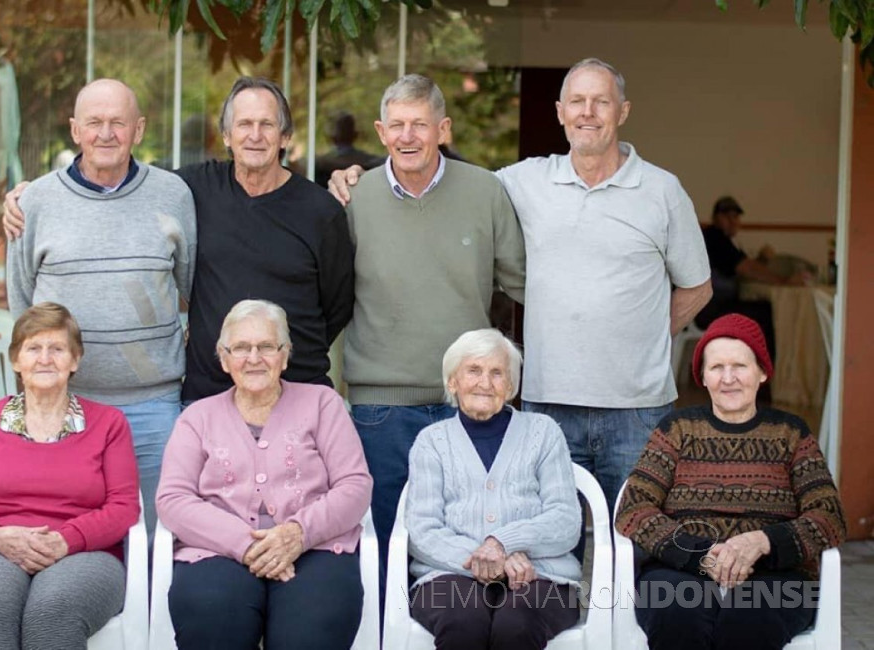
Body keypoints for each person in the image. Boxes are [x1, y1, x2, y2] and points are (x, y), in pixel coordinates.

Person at [330, 59, 710, 513]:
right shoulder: (519, 181)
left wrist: (641, 337)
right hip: (535, 402)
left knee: (635, 539)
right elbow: (338, 286)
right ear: (559, 112)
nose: (588, 112)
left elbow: (696, 288)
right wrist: (349, 176)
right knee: (544, 546)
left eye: (600, 101)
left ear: (622, 111)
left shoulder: (660, 191)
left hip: (631, 406)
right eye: (577, 102)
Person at [3, 77, 354, 406]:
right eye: (244, 125)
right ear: (227, 136)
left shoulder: (320, 210)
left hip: (297, 392)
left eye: (267, 125)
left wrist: (352, 175)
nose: (255, 136)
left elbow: (337, 304)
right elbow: (118, 179)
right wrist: (26, 196)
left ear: (285, 136)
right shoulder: (187, 189)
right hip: (211, 396)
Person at [341, 74, 526, 579]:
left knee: (464, 546)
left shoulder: (486, 191)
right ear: (380, 132)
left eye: (419, 124)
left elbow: (524, 285)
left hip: (466, 402)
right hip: (380, 406)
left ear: (442, 128)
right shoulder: (355, 198)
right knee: (382, 546)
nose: (407, 136)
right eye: (396, 125)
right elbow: (331, 295)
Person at [6, 78, 196, 533]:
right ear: (75, 129)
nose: (106, 134)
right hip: (64, 404)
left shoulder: (173, 195)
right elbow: (22, 308)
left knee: (158, 536)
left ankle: (150, 610)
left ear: (139, 129)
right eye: (94, 122)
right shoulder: (35, 202)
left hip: (154, 406)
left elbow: (191, 286)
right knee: (70, 534)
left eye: (118, 122)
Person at [615, 313, 846, 650]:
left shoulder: (791, 433)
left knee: (748, 621)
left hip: (776, 574)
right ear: (703, 378)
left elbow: (830, 517)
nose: (728, 379)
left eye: (739, 366)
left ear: (762, 372)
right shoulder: (676, 430)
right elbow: (633, 510)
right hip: (683, 570)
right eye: (716, 368)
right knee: (678, 616)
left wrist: (762, 542)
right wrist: (701, 554)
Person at [156, 299, 372, 650]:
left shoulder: (323, 403)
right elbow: (173, 499)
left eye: (266, 346)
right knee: (212, 618)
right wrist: (245, 544)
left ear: (285, 355)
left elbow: (355, 486)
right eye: (240, 348)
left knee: (310, 631)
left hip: (314, 549)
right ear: (224, 359)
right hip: (217, 552)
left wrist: (296, 534)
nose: (253, 357)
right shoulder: (197, 417)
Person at [0, 302, 141, 649]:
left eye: (57, 348)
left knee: (52, 612)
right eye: (34, 348)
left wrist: (66, 540)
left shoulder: (109, 424)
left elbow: (123, 507)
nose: (45, 358)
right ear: (16, 359)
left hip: (84, 554)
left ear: (75, 360)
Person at [406, 328, 581, 649]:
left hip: (541, 576)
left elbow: (566, 520)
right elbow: (422, 531)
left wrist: (502, 542)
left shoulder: (543, 432)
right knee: (463, 621)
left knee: (517, 623)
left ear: (511, 386)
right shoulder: (431, 442)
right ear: (452, 381)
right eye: (473, 370)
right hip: (448, 576)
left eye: (497, 373)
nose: (485, 383)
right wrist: (486, 560)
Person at [695, 195, 800, 362]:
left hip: (712, 306)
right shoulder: (715, 237)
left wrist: (762, 260)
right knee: (766, 313)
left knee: (762, 309)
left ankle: (762, 371)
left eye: (736, 217)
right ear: (717, 218)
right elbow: (746, 268)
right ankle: (766, 373)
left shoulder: (724, 241)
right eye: (728, 216)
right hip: (710, 309)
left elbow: (744, 265)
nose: (734, 221)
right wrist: (784, 281)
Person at [314, 111, 382, 187]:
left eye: (345, 128)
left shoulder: (321, 164)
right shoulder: (369, 161)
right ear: (355, 134)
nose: (343, 132)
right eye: (341, 128)